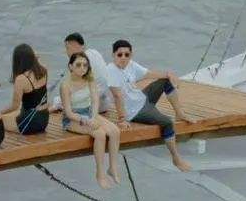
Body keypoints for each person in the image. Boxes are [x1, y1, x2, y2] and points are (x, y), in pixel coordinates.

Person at [106, 40, 192, 172]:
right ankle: (176, 159)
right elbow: (117, 96)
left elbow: (149, 74)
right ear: (113, 55)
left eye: (126, 54)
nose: (123, 58)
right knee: (167, 122)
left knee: (165, 81)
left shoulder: (131, 65)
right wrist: (122, 119)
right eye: (119, 55)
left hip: (142, 97)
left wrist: (168, 74)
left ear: (130, 55)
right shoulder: (111, 71)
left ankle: (179, 112)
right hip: (135, 111)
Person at [60, 51, 121, 189]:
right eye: (78, 65)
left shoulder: (90, 80)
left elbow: (94, 101)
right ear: (70, 66)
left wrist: (93, 117)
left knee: (115, 131)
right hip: (73, 118)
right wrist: (87, 121)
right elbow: (68, 112)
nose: (82, 68)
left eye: (85, 65)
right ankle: (100, 174)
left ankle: (112, 168)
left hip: (89, 113)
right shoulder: (65, 85)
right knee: (99, 134)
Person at [51, 32, 111, 114]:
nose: (65, 51)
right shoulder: (94, 52)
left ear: (76, 46)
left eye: (67, 48)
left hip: (92, 106)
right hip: (104, 104)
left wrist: (57, 104)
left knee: (58, 100)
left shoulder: (80, 62)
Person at [8, 43, 50, 136]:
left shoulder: (21, 79)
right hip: (44, 119)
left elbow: (14, 106)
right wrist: (36, 59)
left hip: (28, 123)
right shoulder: (44, 69)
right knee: (12, 115)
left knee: (0, 119)